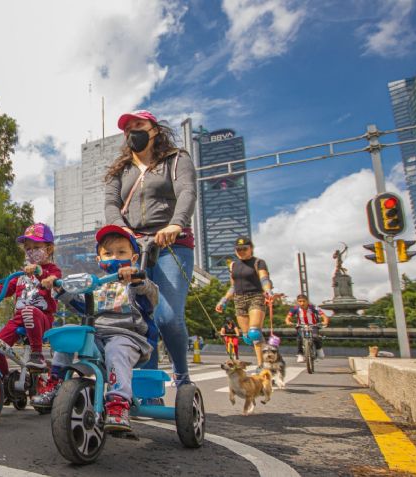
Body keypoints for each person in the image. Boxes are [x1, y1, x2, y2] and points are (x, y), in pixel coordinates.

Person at [103, 109, 197, 387]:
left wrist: (176, 224)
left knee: (167, 317)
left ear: (154, 129)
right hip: (134, 247)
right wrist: (122, 229)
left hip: (171, 245)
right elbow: (110, 204)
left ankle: (182, 376)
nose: (133, 131)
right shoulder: (119, 171)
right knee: (139, 319)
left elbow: (187, 191)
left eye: (139, 125)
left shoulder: (176, 159)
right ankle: (148, 387)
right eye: (128, 128)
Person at [33, 225, 156, 432]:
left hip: (127, 338)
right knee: (68, 332)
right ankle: (56, 382)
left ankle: (118, 404)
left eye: (121, 252)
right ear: (99, 260)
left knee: (116, 349)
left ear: (134, 258)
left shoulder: (137, 281)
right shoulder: (97, 284)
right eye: (108, 253)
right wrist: (58, 287)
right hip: (97, 336)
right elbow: (81, 305)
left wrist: (135, 279)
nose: (114, 257)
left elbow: (150, 296)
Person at [0, 223, 62, 372]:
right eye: (28, 248)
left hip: (42, 318)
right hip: (19, 319)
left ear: (49, 248)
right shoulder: (22, 274)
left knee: (29, 311)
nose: (32, 251)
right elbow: (4, 288)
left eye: (36, 247)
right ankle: (4, 380)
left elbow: (54, 281)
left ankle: (37, 355)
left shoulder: (52, 270)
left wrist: (43, 275)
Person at [215, 237, 274, 368]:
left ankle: (262, 366)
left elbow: (264, 278)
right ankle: (269, 357)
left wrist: (268, 291)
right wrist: (223, 300)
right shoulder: (233, 265)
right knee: (247, 337)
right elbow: (233, 286)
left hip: (256, 296)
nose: (241, 251)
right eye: (238, 249)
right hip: (239, 299)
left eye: (244, 248)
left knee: (255, 332)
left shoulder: (258, 262)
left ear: (251, 248)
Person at [285, 294, 330, 362]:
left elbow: (323, 315)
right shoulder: (295, 309)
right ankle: (300, 354)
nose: (302, 303)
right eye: (300, 301)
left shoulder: (313, 308)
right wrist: (288, 321)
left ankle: (319, 349)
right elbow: (288, 317)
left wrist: (325, 321)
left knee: (315, 336)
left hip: (313, 325)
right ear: (297, 302)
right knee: (299, 339)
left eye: (304, 301)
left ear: (307, 301)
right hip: (301, 326)